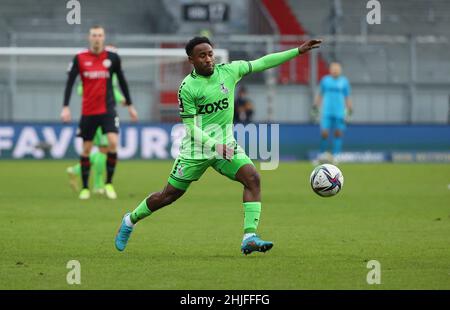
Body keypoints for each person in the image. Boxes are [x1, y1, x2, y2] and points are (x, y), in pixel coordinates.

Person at [114, 36, 322, 255]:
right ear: (191, 60)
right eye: (202, 55)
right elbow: (191, 129)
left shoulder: (229, 72)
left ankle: (249, 237)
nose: (208, 59)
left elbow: (263, 62)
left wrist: (297, 51)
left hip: (226, 146)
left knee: (253, 178)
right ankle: (130, 219)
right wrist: (215, 145)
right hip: (196, 150)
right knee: (169, 195)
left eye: (210, 54)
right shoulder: (187, 87)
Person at [61, 26, 138, 200]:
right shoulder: (80, 58)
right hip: (88, 112)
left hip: (108, 110)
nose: (97, 38)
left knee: (112, 143)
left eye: (100, 35)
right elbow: (71, 83)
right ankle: (85, 187)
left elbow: (123, 82)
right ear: (89, 38)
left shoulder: (112, 59)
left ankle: (108, 183)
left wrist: (131, 105)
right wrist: (65, 106)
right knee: (87, 149)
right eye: (94, 35)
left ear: (104, 38)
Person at [66, 72, 126, 195]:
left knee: (103, 151)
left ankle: (76, 170)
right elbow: (82, 89)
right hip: (97, 115)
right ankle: (98, 185)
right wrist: (121, 99)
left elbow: (109, 89)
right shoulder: (98, 72)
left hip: (105, 114)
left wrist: (119, 98)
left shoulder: (109, 70)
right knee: (104, 150)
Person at [313, 62, 352, 163]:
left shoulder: (344, 82)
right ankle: (322, 155)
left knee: (338, 133)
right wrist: (315, 106)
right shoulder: (325, 80)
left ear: (340, 70)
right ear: (330, 70)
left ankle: (336, 156)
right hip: (326, 111)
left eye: (337, 69)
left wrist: (349, 110)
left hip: (339, 112)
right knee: (324, 133)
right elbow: (320, 94)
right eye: (333, 69)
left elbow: (347, 97)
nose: (335, 71)